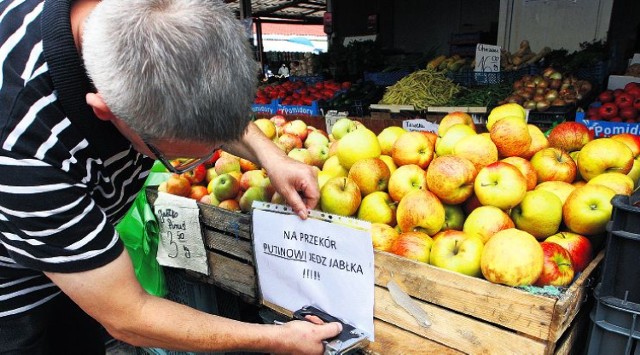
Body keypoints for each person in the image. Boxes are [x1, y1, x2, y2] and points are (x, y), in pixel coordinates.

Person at [0, 0, 342, 354]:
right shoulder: (26, 149)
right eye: (179, 157)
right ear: (105, 110)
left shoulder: (161, 15)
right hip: (16, 299)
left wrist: (272, 157)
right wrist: (277, 339)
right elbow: (128, 315)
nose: (207, 160)